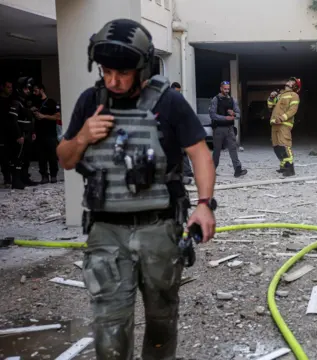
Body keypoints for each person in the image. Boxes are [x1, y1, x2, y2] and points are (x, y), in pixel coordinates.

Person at [56, 19, 216, 359]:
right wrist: (83, 136)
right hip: (105, 232)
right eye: (106, 71)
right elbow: (66, 159)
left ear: (142, 69)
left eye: (123, 73)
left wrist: (205, 204)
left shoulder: (168, 103)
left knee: (161, 321)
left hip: (159, 229)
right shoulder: (90, 102)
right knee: (110, 331)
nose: (113, 80)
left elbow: (200, 154)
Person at [209, 81, 247, 177]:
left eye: (228, 89)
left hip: (230, 129)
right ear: (221, 88)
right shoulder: (215, 99)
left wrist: (233, 114)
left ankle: (237, 170)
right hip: (218, 129)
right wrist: (225, 118)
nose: (227, 91)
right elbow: (212, 115)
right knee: (217, 150)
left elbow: (238, 114)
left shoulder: (232, 100)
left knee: (233, 149)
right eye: (225, 89)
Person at [268, 77, 301, 176]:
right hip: (274, 123)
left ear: (295, 86)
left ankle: (290, 168)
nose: (288, 82)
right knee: (276, 147)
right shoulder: (280, 95)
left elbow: (293, 110)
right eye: (289, 80)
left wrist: (282, 118)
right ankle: (283, 166)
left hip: (284, 124)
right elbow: (270, 106)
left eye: (292, 82)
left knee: (284, 145)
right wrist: (271, 97)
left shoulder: (294, 95)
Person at [9, 76, 37, 187]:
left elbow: (29, 120)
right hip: (21, 135)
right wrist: (18, 135)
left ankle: (25, 178)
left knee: (26, 158)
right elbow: (13, 121)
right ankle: (16, 181)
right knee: (18, 158)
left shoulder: (24, 103)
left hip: (28, 135)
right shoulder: (16, 103)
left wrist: (33, 132)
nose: (28, 91)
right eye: (25, 89)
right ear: (20, 89)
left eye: (28, 89)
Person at [32, 84, 60, 184]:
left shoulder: (51, 102)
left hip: (50, 133)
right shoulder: (35, 103)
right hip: (39, 133)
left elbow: (57, 117)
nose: (34, 93)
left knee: (52, 155)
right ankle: (44, 175)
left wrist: (43, 116)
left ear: (41, 89)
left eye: (36, 90)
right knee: (41, 157)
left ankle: (53, 175)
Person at [0, 79, 15, 186]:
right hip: (1, 132)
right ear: (2, 87)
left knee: (13, 155)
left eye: (11, 87)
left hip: (12, 131)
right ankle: (7, 177)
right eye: (8, 87)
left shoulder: (13, 101)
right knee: (3, 156)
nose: (10, 89)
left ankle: (16, 177)